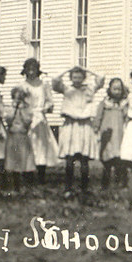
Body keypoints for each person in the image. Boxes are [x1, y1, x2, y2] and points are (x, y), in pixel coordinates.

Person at [53, 66, 103, 197]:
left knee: (84, 159)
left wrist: (87, 69)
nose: (77, 79)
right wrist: (67, 69)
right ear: (71, 78)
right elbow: (55, 80)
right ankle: (68, 188)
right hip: (71, 125)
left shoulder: (89, 89)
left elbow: (101, 78)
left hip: (85, 125)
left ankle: (84, 188)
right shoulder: (67, 89)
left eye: (80, 76)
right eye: (74, 77)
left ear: (84, 77)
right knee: (70, 159)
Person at [21, 58, 59, 185]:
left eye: (34, 68)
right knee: (28, 146)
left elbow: (49, 101)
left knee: (41, 146)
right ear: (25, 70)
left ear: (38, 70)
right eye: (28, 69)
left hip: (40, 118)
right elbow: (18, 102)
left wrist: (46, 107)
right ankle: (28, 176)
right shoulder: (22, 85)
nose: (31, 71)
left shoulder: (44, 85)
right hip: (27, 118)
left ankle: (41, 175)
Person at [94, 77, 128, 188]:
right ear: (110, 89)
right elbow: (98, 117)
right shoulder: (104, 103)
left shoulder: (124, 104)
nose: (117, 92)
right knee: (107, 159)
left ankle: (120, 183)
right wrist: (96, 128)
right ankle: (105, 184)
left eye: (119, 89)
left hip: (119, 134)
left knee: (120, 159)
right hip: (107, 134)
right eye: (115, 89)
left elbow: (127, 117)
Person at [3, 88, 35, 191]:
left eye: (20, 99)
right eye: (15, 98)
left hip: (22, 135)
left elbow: (27, 121)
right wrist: (14, 109)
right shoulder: (9, 108)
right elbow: (8, 120)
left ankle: (26, 184)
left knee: (25, 160)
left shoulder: (27, 109)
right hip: (12, 135)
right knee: (13, 161)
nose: (17, 101)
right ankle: (15, 185)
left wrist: (21, 110)